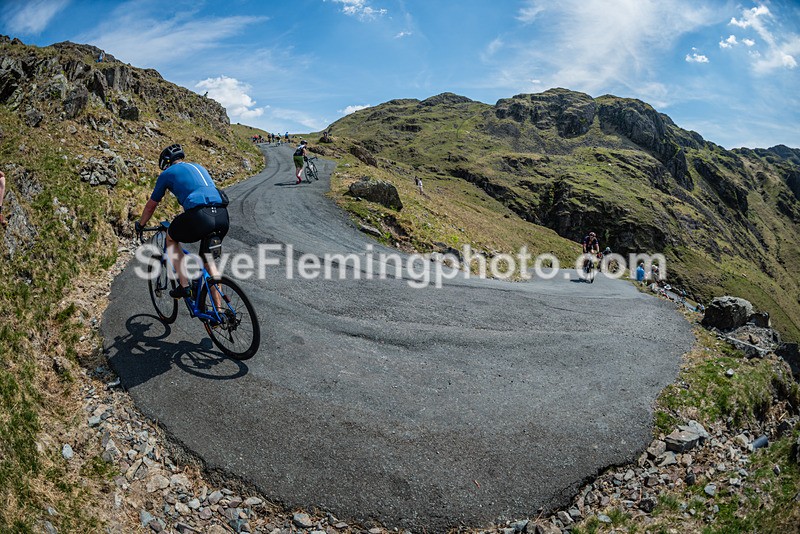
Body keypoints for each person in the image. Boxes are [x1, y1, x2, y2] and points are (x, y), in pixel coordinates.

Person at [135, 144, 229, 299]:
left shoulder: (167, 173)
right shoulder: (199, 167)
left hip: (200, 215)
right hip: (222, 215)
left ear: (166, 163)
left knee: (171, 237)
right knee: (209, 262)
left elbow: (151, 206)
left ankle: (184, 287)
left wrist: (141, 224)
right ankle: (219, 313)